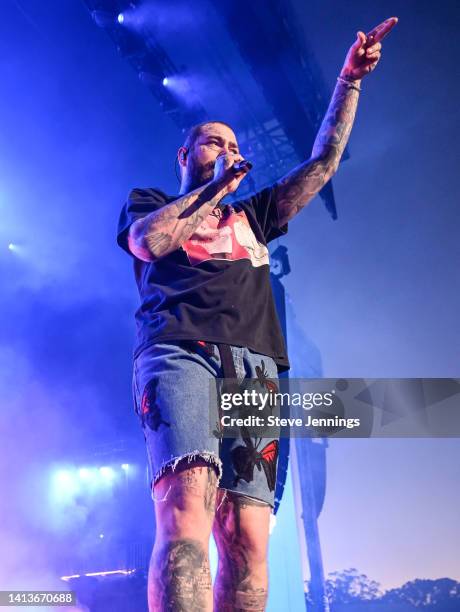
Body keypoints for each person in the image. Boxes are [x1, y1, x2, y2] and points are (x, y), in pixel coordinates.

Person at [117, 17, 397, 612]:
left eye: (235, 145)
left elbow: (322, 163)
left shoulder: (257, 216)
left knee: (247, 535)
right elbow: (150, 243)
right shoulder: (152, 202)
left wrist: (349, 82)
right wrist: (216, 189)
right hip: (180, 350)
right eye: (215, 141)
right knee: (188, 502)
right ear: (185, 153)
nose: (230, 151)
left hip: (255, 369)